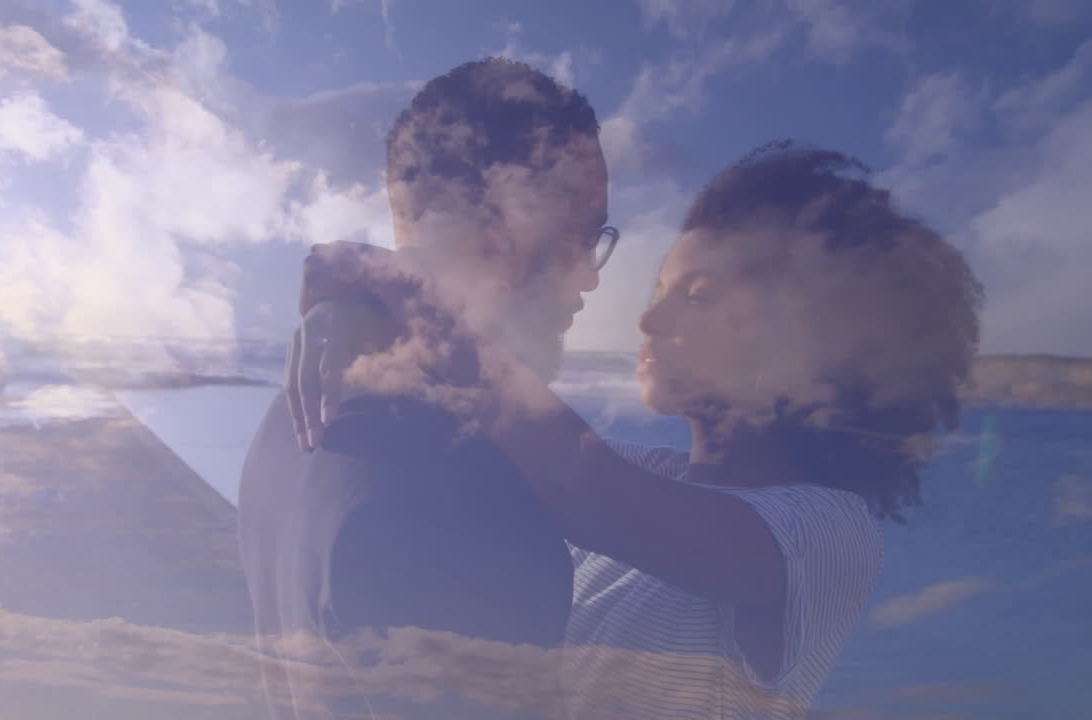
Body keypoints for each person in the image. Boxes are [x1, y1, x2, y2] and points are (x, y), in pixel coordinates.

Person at [285, 142, 985, 718]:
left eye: (699, 297)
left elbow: (580, 484)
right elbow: (492, 436)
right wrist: (359, 323)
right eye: (658, 292)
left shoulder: (830, 533)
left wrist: (410, 293)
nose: (648, 324)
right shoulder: (654, 474)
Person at [238, 57, 616, 719]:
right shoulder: (455, 491)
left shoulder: (291, 420)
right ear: (501, 227)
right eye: (580, 238)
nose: (589, 278)